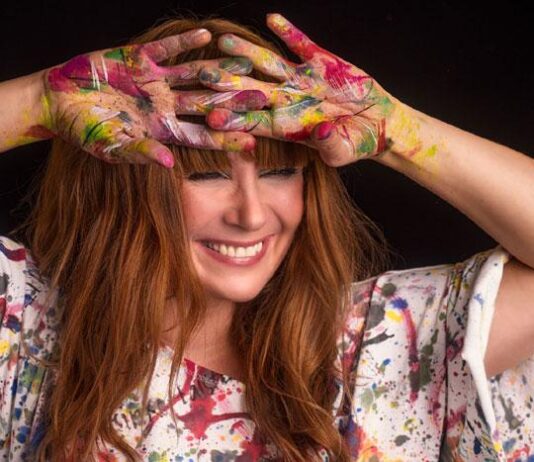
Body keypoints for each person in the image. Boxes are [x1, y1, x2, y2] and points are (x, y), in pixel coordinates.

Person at [0, 12, 533, 461]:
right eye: (208, 175)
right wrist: (36, 102)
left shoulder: (379, 344)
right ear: (124, 183)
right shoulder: (27, 331)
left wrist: (398, 133)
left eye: (279, 172)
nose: (252, 216)